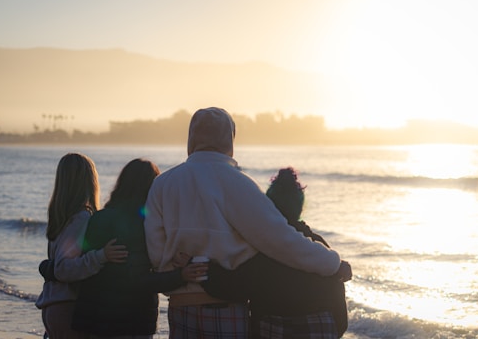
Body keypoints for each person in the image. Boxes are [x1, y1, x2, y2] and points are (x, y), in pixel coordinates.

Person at [144, 107, 352, 339]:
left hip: (180, 308)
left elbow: (155, 252)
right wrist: (332, 263)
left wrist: (181, 272)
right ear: (230, 141)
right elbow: (280, 240)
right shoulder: (237, 183)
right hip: (225, 307)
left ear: (191, 139)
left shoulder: (163, 184)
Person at [202, 167, 348, 338]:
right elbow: (338, 299)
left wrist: (203, 267)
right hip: (319, 327)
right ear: (300, 205)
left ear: (269, 205)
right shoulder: (318, 246)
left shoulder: (260, 245)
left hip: (270, 328)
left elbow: (235, 287)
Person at [70, 158, 207, 338]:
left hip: (95, 320)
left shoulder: (99, 218)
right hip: (133, 320)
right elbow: (139, 280)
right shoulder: (146, 225)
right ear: (152, 188)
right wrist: (180, 275)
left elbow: (85, 267)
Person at [35, 153, 128, 339]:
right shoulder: (80, 219)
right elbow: (63, 268)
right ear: (90, 181)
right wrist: (102, 256)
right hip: (68, 309)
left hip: (53, 306)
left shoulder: (61, 219)